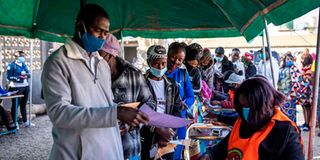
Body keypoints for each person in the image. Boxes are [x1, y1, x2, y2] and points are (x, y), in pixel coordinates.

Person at [41, 4, 148, 159]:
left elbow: (105, 105)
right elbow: (59, 113)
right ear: (80, 26)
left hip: (109, 148)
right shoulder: (58, 62)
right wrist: (115, 113)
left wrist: (121, 115)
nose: (102, 37)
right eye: (98, 30)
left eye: (106, 33)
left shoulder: (101, 64)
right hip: (76, 152)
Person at [200, 77, 304, 160]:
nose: (245, 111)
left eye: (248, 106)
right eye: (242, 106)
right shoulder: (242, 122)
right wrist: (209, 155)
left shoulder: (285, 130)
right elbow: (224, 147)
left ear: (263, 105)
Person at [99, 34, 152, 160]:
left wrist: (132, 123)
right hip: (99, 149)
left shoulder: (134, 75)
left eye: (98, 54)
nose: (94, 58)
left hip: (129, 148)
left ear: (110, 55)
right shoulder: (91, 75)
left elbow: (149, 104)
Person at [141, 45, 183, 160]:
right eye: (156, 63)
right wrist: (156, 130)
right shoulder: (141, 83)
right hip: (147, 138)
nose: (160, 67)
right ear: (149, 62)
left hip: (168, 138)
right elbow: (138, 112)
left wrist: (168, 133)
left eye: (163, 63)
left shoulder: (171, 84)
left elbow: (178, 109)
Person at [165, 42, 195, 159]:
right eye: (173, 57)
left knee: (177, 154)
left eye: (180, 59)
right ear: (167, 55)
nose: (176, 61)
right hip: (161, 123)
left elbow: (191, 97)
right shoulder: (158, 73)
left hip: (179, 123)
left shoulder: (182, 74)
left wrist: (183, 105)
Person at [6, 51, 33, 127]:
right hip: (16, 87)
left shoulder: (24, 65)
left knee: (23, 105)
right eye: (21, 56)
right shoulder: (11, 65)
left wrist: (26, 76)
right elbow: (8, 77)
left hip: (25, 86)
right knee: (15, 105)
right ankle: (15, 122)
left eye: (23, 56)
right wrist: (18, 78)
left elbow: (28, 74)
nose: (23, 58)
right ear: (16, 57)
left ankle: (25, 121)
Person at [277, 53, 302, 123]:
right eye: (287, 59)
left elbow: (298, 80)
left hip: (290, 93)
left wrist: (293, 92)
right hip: (281, 93)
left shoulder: (294, 68)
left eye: (290, 59)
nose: (289, 60)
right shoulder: (281, 68)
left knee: (290, 112)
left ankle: (291, 127)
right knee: (283, 111)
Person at [298, 53, 313, 131]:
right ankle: (305, 122)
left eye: (303, 59)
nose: (301, 60)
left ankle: (308, 124)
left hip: (308, 89)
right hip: (303, 89)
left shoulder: (310, 67)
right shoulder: (303, 67)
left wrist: (306, 76)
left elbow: (311, 78)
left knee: (308, 107)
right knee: (303, 107)